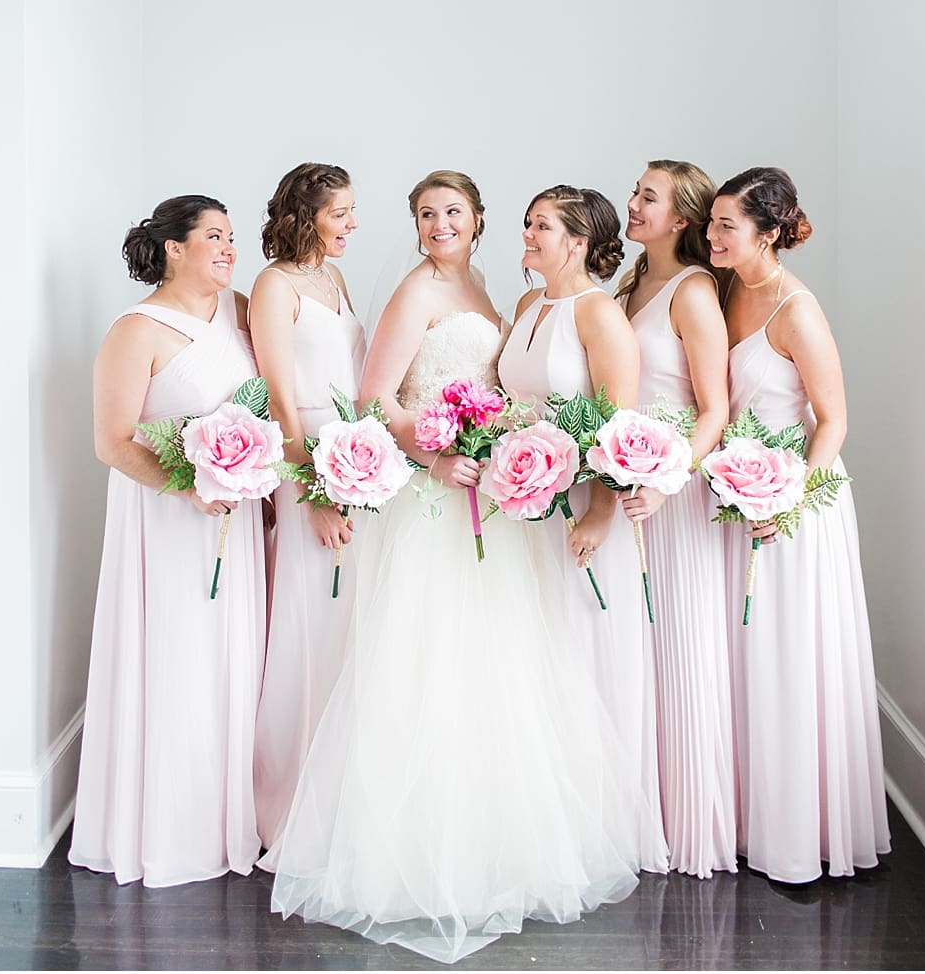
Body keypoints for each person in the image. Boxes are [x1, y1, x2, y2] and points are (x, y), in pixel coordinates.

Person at [267, 171, 650, 963]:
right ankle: (416, 856)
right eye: (424, 214)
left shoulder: (495, 292)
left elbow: (512, 391)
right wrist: (436, 456)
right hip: (439, 504)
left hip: (498, 505)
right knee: (427, 665)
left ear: (477, 220)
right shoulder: (415, 292)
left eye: (452, 211)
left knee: (502, 666)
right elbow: (377, 399)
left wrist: (507, 448)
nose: (438, 223)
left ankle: (498, 840)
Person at [71, 195, 265, 887]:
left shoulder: (241, 313)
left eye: (231, 237)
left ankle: (229, 814)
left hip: (237, 522)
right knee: (178, 656)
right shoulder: (136, 329)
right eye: (212, 235)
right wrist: (189, 485)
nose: (227, 247)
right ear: (172, 247)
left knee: (234, 659)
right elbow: (111, 442)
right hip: (166, 522)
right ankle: (170, 827)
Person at [709, 166, 888, 882]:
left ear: (770, 232)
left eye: (727, 225)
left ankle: (797, 830)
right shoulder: (723, 289)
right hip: (737, 493)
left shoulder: (796, 310)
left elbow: (834, 420)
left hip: (795, 500)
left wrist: (785, 497)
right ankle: (747, 817)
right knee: (745, 655)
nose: (713, 234)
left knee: (787, 653)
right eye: (713, 222)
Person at [497, 185, 667, 876]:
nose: (528, 235)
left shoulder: (598, 315)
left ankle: (597, 825)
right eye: (528, 224)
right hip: (521, 508)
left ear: (577, 240)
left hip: (580, 514)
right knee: (531, 657)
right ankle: (533, 814)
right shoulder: (524, 305)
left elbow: (616, 423)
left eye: (541, 227)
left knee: (584, 655)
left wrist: (598, 512)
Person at [617, 160, 736, 877]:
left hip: (673, 495)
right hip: (624, 487)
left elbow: (714, 409)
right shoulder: (633, 284)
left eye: (647, 197)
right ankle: (637, 812)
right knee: (636, 656)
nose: (632, 204)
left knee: (680, 651)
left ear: (681, 218)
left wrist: (666, 479)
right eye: (634, 192)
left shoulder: (692, 293)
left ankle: (690, 824)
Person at [248, 164, 366, 846]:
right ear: (304, 214)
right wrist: (309, 493)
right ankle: (289, 800)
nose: (351, 224)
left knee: (345, 627)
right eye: (339, 213)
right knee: (306, 622)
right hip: (308, 469)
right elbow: (279, 394)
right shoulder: (274, 285)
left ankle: (341, 788)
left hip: (355, 462)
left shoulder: (333, 278)